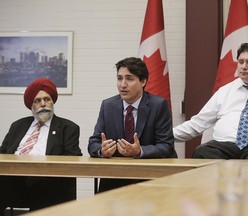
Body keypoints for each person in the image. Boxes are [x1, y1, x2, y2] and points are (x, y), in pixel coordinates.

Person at [173, 42, 248, 159]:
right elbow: (197, 123)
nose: (243, 66)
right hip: (226, 145)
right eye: (240, 62)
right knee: (203, 152)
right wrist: (163, 137)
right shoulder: (224, 91)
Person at [88, 57, 177, 192]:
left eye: (129, 79)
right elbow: (93, 142)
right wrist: (102, 150)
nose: (123, 85)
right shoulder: (108, 106)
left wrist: (140, 151)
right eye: (119, 78)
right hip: (115, 179)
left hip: (149, 178)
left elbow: (166, 146)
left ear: (143, 81)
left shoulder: (158, 105)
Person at [0, 78, 82, 214]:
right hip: (14, 180)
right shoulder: (18, 126)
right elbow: (3, 152)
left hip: (47, 181)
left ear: (52, 101)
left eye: (47, 99)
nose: (43, 104)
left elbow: (73, 158)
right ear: (31, 105)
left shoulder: (68, 128)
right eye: (37, 101)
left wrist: (40, 171)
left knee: (43, 187)